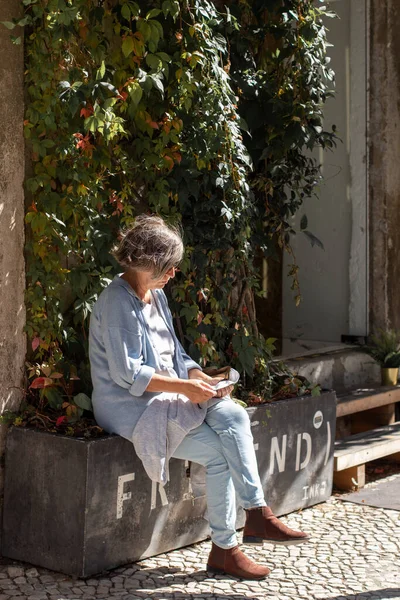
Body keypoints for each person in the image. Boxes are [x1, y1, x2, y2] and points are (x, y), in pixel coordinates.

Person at [89, 214, 309, 580]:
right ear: (148, 263)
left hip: (170, 395)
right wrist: (186, 389)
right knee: (220, 453)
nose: (174, 274)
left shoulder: (155, 297)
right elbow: (128, 375)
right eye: (169, 267)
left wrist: (199, 377)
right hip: (129, 406)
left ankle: (257, 513)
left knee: (235, 415)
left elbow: (177, 355)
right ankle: (226, 549)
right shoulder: (117, 303)